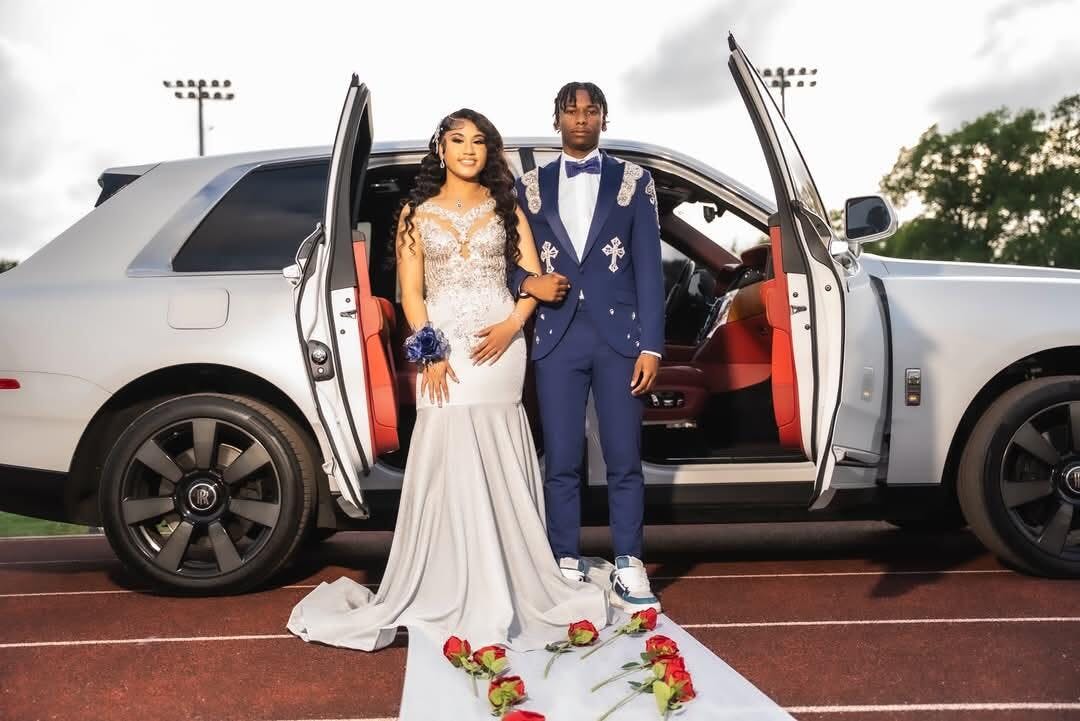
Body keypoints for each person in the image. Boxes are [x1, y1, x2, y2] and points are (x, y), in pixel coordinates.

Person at [286, 109, 609, 652]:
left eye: (478, 141)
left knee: (498, 444)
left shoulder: (506, 207)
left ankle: (510, 577)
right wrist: (430, 351)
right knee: (446, 447)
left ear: (489, 151)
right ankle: (449, 577)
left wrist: (511, 325)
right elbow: (411, 293)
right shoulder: (415, 212)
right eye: (458, 140)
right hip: (442, 348)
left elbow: (532, 278)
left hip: (501, 345)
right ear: (441, 148)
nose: (468, 149)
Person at [509, 82, 664, 612]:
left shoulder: (634, 181)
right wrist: (528, 284)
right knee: (561, 458)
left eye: (591, 110)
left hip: (621, 338)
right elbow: (507, 261)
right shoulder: (528, 188)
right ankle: (564, 561)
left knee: (624, 456)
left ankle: (629, 562)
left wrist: (653, 347)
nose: (581, 118)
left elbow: (649, 268)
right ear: (555, 119)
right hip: (556, 336)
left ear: (604, 118)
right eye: (571, 111)